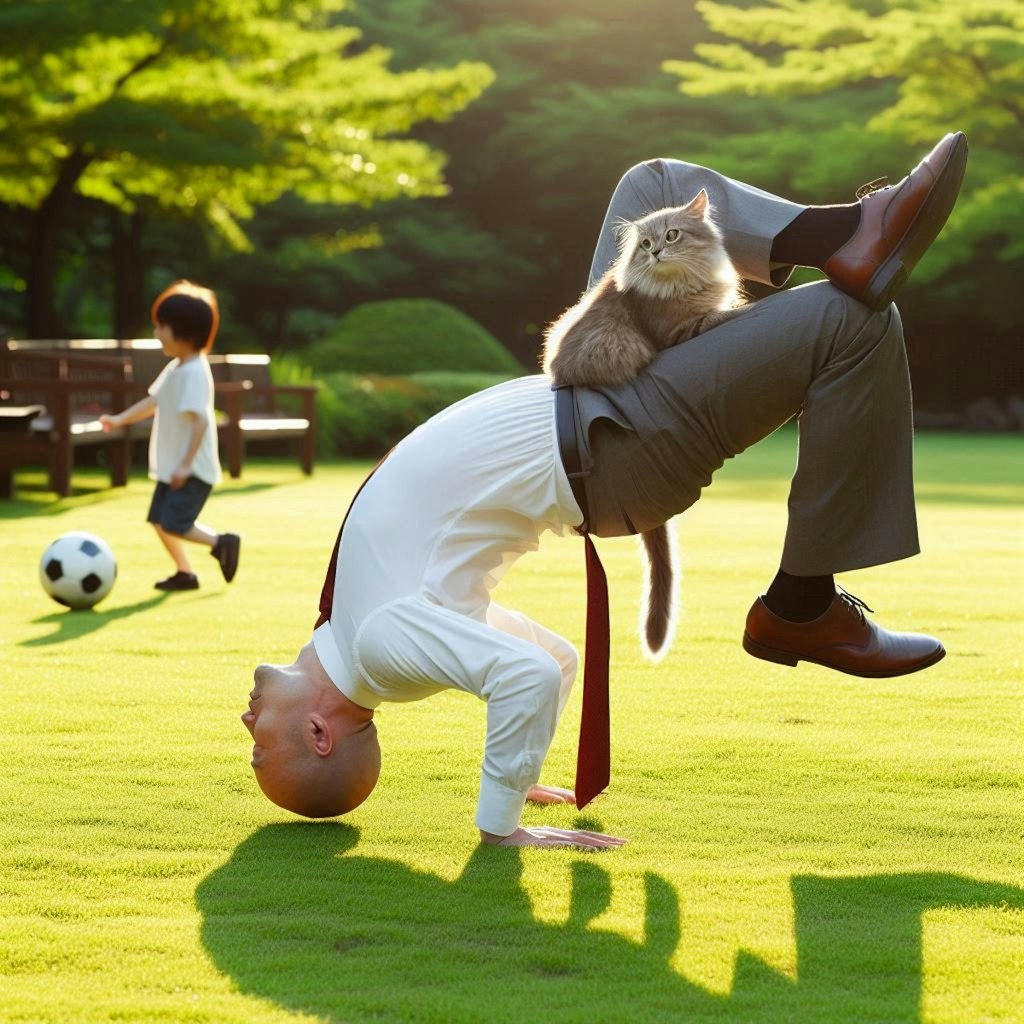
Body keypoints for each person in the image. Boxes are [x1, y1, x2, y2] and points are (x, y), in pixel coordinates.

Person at [243, 132, 967, 850]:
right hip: (620, 441)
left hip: (592, 385)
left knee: (651, 190)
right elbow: (520, 675)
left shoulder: (364, 627)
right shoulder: (377, 645)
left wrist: (519, 765)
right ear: (319, 733)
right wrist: (504, 824)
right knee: (851, 322)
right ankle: (801, 605)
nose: (246, 726)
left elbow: (551, 658)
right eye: (259, 751)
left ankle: (850, 233)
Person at [101, 281, 241, 591]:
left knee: (174, 523)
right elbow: (154, 401)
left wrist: (185, 466)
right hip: (174, 466)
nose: (156, 334)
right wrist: (119, 419)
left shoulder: (193, 373)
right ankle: (185, 573)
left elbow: (201, 423)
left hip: (190, 469)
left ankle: (222, 542)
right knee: (159, 520)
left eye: (161, 327)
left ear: (186, 333)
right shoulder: (177, 368)